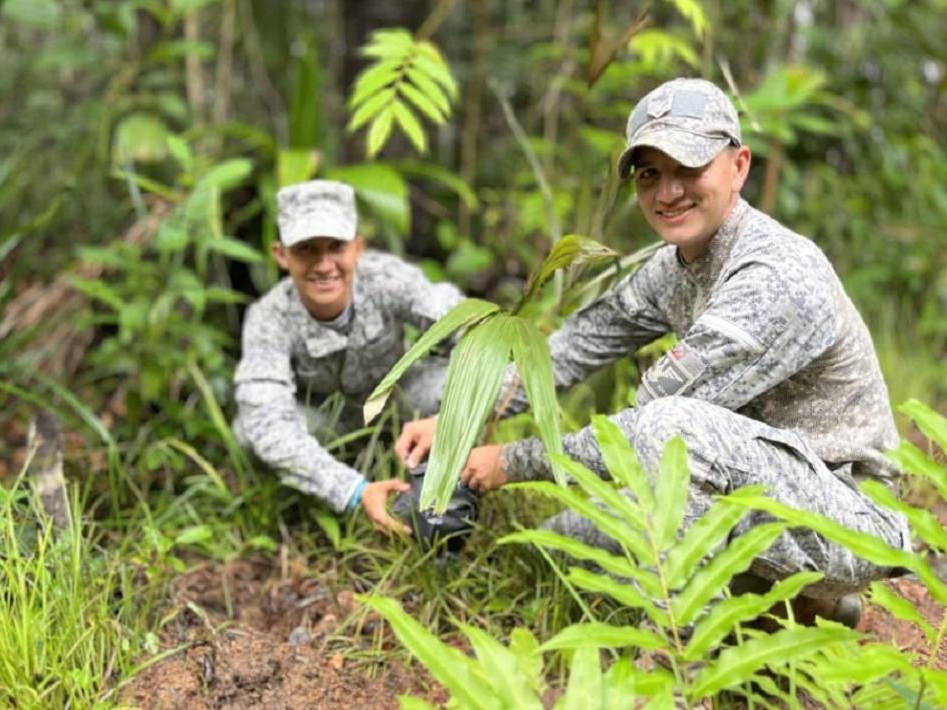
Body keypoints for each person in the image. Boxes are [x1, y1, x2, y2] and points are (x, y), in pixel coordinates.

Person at [395, 78, 909, 621]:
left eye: (689, 168)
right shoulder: (674, 265)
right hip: (745, 482)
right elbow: (576, 346)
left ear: (739, 166)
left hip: (849, 513)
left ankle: (676, 661)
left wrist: (509, 461)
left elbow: (645, 434)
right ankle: (800, 607)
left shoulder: (776, 275)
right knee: (555, 554)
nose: (667, 192)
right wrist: (460, 421)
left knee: (670, 430)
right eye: (649, 174)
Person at [234, 179, 463, 534]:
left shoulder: (388, 279)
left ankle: (447, 496)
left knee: (456, 383)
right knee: (250, 431)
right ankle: (321, 496)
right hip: (328, 425)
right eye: (307, 249)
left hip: (400, 408)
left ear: (357, 248)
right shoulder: (268, 317)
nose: (324, 265)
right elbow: (265, 418)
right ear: (281, 255)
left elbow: (463, 329)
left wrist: (451, 417)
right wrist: (354, 491)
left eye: (336, 247)